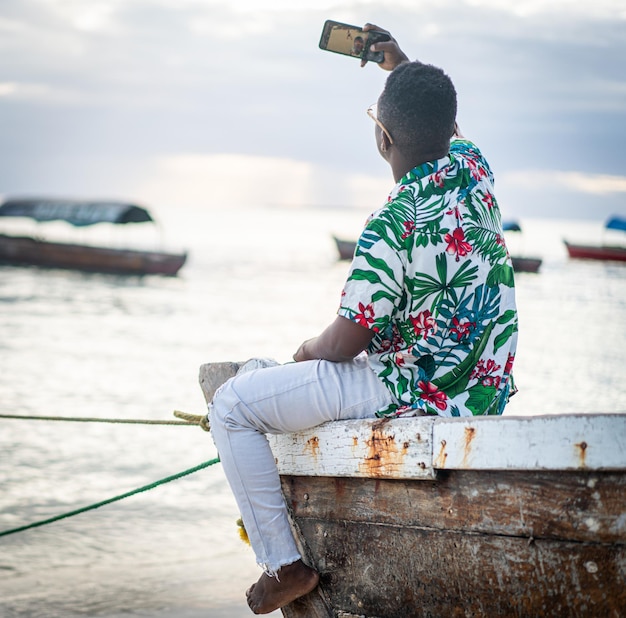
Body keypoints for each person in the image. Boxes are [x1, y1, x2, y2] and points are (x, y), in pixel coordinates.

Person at [208, 23, 518, 615]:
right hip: (480, 390)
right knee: (257, 376)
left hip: (409, 390)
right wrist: (398, 65)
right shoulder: (475, 172)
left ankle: (284, 565)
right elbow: (440, 119)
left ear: (383, 138)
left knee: (232, 403)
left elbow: (346, 341)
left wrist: (304, 350)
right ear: (449, 130)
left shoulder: (393, 221)